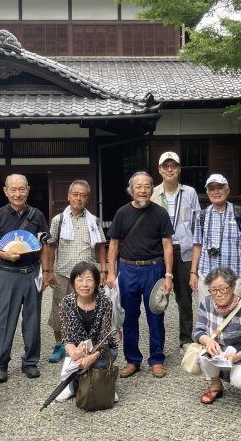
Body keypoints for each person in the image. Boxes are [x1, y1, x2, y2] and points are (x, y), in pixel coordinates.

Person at [106, 171, 174, 379]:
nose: (143, 190)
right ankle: (132, 360)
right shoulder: (122, 213)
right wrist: (111, 271)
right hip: (128, 270)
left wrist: (169, 275)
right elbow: (114, 244)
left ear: (152, 190)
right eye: (138, 186)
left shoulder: (160, 213)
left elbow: (167, 245)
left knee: (156, 315)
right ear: (131, 190)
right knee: (129, 317)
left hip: (154, 269)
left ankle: (156, 359)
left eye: (147, 186)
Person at [0, 174, 53, 382]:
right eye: (13, 189)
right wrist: (4, 254)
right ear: (6, 191)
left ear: (28, 190)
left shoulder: (38, 215)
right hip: (7, 273)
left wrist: (47, 271)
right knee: (4, 319)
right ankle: (1, 362)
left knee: (32, 319)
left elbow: (44, 244)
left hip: (32, 272)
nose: (18, 193)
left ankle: (30, 361)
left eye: (21, 189)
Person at [45, 180, 107, 363]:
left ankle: (83, 345)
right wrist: (48, 271)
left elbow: (101, 246)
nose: (78, 198)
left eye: (83, 195)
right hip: (64, 273)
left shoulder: (93, 220)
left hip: (87, 276)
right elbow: (50, 246)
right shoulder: (59, 220)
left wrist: (103, 270)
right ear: (69, 196)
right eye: (75, 194)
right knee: (59, 311)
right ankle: (60, 345)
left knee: (86, 310)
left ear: (87, 198)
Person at [151, 151, 201, 354]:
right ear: (160, 170)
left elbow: (197, 223)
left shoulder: (189, 193)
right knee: (156, 295)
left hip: (184, 249)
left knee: (184, 297)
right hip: (159, 250)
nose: (170, 169)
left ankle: (186, 339)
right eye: (166, 166)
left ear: (179, 169)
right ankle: (157, 345)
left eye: (174, 166)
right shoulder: (152, 193)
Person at [193, 267, 241, 405]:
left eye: (222, 289)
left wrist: (235, 357)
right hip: (217, 351)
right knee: (202, 356)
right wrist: (207, 340)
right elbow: (198, 331)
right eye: (213, 290)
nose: (218, 294)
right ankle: (216, 386)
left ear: (232, 287)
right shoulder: (206, 303)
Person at [54, 261, 118, 402]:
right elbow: (67, 338)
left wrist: (90, 358)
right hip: (78, 350)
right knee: (77, 365)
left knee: (98, 364)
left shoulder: (105, 302)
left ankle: (105, 385)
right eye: (80, 279)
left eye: (89, 280)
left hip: (101, 349)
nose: (84, 284)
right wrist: (76, 355)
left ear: (96, 283)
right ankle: (73, 388)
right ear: (73, 282)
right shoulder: (66, 303)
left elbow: (105, 338)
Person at [190, 174, 241, 302]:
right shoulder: (202, 216)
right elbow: (197, 245)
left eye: (220, 188)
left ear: (227, 190)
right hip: (207, 276)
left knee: (235, 317)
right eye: (212, 189)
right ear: (208, 193)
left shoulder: (240, 213)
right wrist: (193, 273)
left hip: (235, 276)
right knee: (208, 316)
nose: (216, 192)